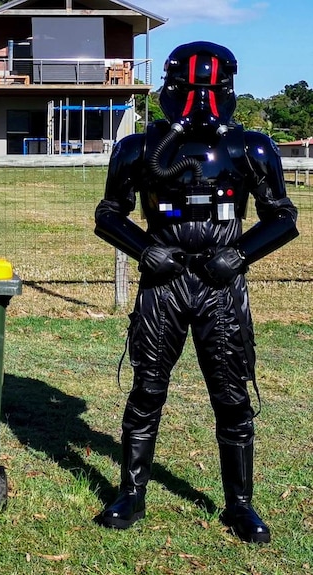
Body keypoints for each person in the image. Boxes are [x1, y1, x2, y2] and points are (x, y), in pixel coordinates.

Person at [93, 41, 298, 543]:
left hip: (221, 285)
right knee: (146, 389)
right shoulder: (139, 148)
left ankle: (240, 504)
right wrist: (144, 249)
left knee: (231, 395)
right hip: (164, 281)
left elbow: (283, 216)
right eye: (189, 88)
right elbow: (108, 213)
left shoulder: (250, 147)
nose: (198, 101)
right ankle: (132, 493)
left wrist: (242, 254)